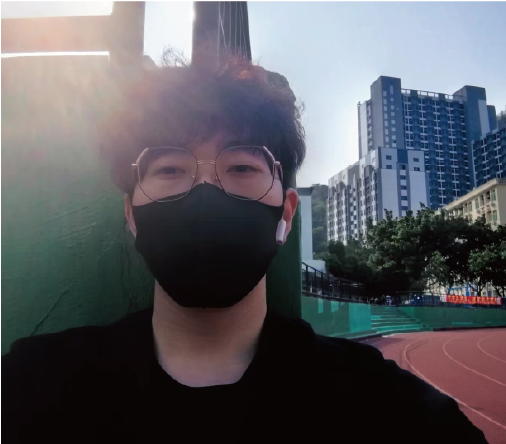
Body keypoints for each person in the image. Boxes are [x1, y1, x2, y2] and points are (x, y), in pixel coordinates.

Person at [2, 58, 488, 444]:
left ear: (286, 214)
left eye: (241, 168)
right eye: (169, 169)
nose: (204, 195)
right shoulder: (33, 386)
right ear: (131, 213)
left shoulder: (387, 410)